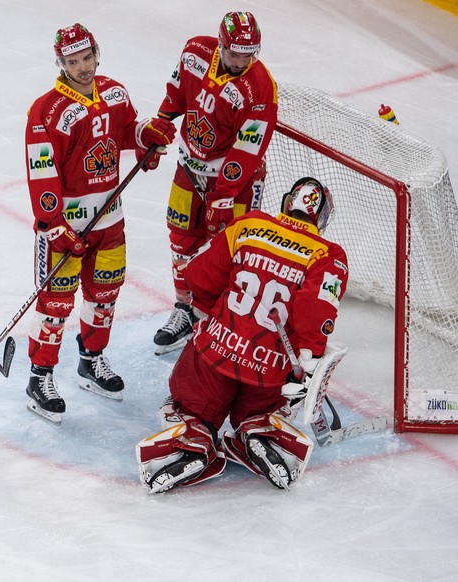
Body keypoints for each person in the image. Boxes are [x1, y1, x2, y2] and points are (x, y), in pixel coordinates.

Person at [136, 177, 348, 493]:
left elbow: (199, 273)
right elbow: (316, 312)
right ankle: (256, 429)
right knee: (263, 406)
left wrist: (209, 313)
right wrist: (310, 356)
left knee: (192, 404)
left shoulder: (250, 224)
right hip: (270, 367)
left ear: (288, 203)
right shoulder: (328, 255)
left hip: (215, 351)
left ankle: (196, 436)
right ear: (322, 217)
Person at [23, 23, 176, 422]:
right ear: (61, 64)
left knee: (104, 296)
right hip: (66, 229)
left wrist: (147, 135)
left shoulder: (114, 92)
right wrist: (54, 226)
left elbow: (128, 132)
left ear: (96, 53)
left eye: (87, 58)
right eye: (73, 62)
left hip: (109, 219)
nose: (83, 68)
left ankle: (91, 359)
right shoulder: (47, 110)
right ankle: (40, 377)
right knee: (55, 305)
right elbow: (42, 172)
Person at [151, 11, 278, 355]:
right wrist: (161, 125)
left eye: (248, 54)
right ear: (221, 44)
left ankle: (213, 319)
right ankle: (183, 309)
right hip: (189, 168)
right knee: (181, 241)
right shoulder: (194, 52)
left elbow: (248, 149)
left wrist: (223, 195)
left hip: (235, 182)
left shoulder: (261, 87)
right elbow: (176, 94)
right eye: (234, 53)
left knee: (225, 251)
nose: (240, 61)